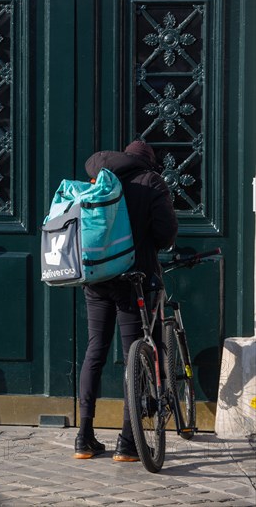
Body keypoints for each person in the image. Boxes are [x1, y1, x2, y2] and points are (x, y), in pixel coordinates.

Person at [74, 140, 178, 461]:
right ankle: (128, 442)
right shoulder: (151, 181)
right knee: (135, 355)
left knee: (95, 350)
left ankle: (83, 437)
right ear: (148, 162)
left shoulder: (99, 178)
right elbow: (166, 233)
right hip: (135, 279)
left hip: (97, 279)